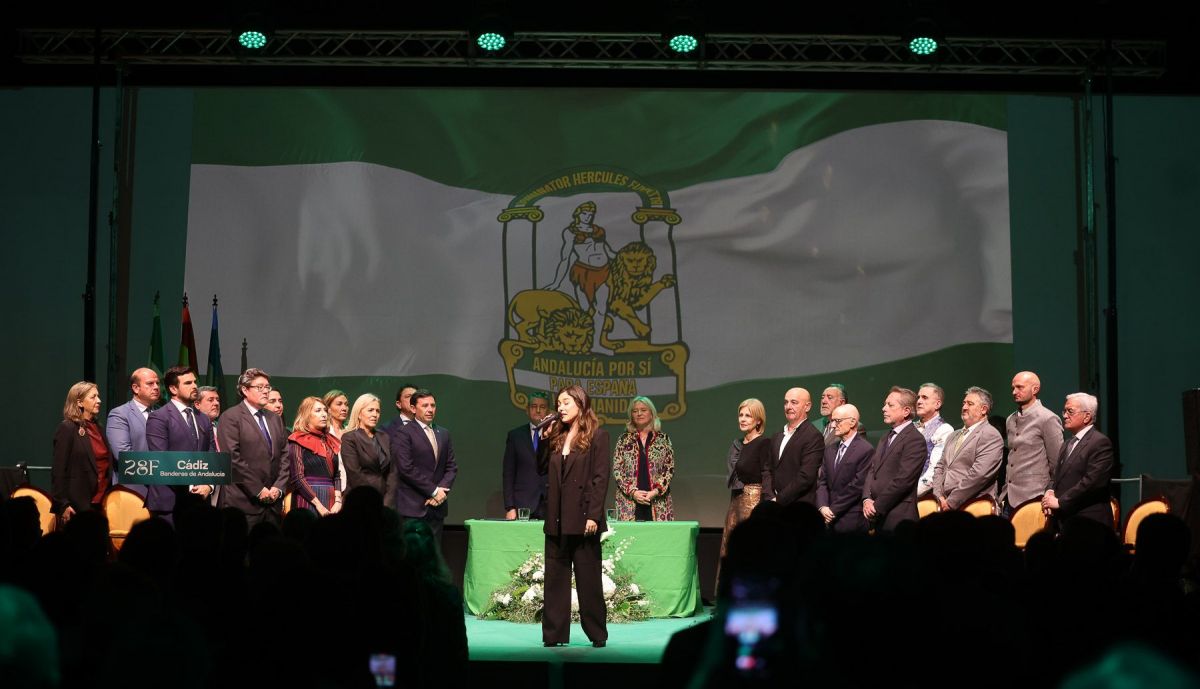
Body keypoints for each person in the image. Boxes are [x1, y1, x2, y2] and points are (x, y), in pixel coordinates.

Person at [537, 384, 610, 648]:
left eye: (566, 402)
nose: (560, 408)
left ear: (580, 404)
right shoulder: (557, 435)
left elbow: (601, 478)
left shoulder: (598, 436)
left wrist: (593, 515)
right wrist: (544, 439)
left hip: (583, 519)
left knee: (588, 580)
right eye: (558, 403)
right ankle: (554, 634)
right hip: (556, 519)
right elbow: (541, 468)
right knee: (555, 580)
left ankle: (596, 633)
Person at [216, 368, 289, 527]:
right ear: (245, 390)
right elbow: (232, 459)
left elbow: (284, 455)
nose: (265, 391)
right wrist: (258, 489)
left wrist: (278, 487)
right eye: (260, 387)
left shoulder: (275, 419)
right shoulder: (231, 417)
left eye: (267, 387)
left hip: (273, 505)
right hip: (243, 504)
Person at [144, 366, 214, 521]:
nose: (195, 386)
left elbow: (211, 456)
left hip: (201, 501)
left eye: (195, 382)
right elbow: (161, 460)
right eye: (188, 383)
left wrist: (208, 486)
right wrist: (191, 488)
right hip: (170, 503)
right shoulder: (159, 417)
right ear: (173, 389)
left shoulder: (203, 418)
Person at [1042, 393, 1113, 531]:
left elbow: (1092, 482)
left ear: (1087, 416)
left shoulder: (1100, 442)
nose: (1064, 415)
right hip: (1066, 520)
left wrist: (1060, 502)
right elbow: (1057, 475)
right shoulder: (1068, 443)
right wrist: (1049, 491)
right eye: (1064, 411)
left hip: (1089, 521)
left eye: (1070, 411)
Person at [392, 389, 457, 540]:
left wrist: (441, 492)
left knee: (434, 555)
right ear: (413, 408)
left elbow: (451, 466)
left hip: (437, 508)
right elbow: (405, 468)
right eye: (425, 406)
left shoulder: (443, 433)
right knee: (413, 556)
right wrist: (433, 491)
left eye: (432, 405)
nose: (430, 409)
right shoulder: (404, 432)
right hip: (413, 508)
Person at [862, 386, 926, 532]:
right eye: (885, 404)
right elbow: (872, 470)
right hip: (878, 517)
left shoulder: (915, 439)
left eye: (890, 405)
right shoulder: (885, 437)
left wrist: (876, 507)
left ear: (906, 411)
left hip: (899, 517)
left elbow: (904, 479)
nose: (884, 408)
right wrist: (866, 499)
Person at [931, 387, 1004, 511]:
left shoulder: (990, 435)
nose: (964, 407)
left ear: (983, 409)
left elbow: (979, 474)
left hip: (973, 504)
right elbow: (940, 467)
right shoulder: (953, 435)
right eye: (964, 403)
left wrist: (951, 501)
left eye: (970, 404)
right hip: (943, 504)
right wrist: (938, 496)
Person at [52, 381, 114, 522]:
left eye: (98, 396)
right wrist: (63, 504)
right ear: (79, 402)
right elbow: (58, 470)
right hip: (77, 505)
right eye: (93, 397)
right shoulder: (67, 428)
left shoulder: (98, 428)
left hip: (101, 501)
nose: (99, 400)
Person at [1004, 371, 1064, 515]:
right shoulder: (1010, 419)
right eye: (1013, 388)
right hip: (1009, 496)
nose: (1014, 392)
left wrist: (1051, 492)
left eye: (1020, 387)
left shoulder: (1047, 418)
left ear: (1035, 389)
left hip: (1034, 496)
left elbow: (1057, 462)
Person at [720, 398, 772, 562]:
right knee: (730, 547)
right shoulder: (738, 444)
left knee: (749, 547)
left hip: (753, 502)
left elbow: (767, 473)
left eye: (748, 416)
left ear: (758, 420)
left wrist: (764, 505)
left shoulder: (763, 443)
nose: (742, 419)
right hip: (735, 500)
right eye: (741, 415)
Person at [612, 396, 676, 521]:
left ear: (652, 414)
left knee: (658, 539)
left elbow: (669, 469)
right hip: (629, 501)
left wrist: (656, 491)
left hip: (657, 501)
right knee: (630, 539)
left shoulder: (663, 439)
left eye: (643, 410)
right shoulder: (624, 439)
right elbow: (617, 469)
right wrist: (633, 492)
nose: (639, 413)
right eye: (635, 411)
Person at [816, 404, 873, 533]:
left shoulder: (865, 449)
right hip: (827, 518)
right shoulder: (830, 449)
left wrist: (833, 510)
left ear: (853, 422)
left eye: (837, 421)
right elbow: (822, 481)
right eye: (832, 421)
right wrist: (822, 507)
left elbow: (857, 486)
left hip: (851, 518)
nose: (832, 425)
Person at [286, 396, 342, 517]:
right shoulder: (297, 440)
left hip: (332, 499)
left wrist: (338, 501)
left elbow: (336, 475)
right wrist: (319, 506)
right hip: (308, 499)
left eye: (324, 410)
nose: (323, 414)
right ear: (306, 415)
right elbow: (298, 478)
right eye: (318, 411)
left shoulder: (330, 441)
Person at [105, 367, 160, 491]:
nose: (156, 387)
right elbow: (123, 455)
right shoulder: (120, 414)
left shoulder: (162, 413)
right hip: (133, 490)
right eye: (150, 383)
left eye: (157, 383)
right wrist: (162, 470)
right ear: (136, 388)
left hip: (162, 491)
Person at [341, 393, 397, 508]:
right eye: (370, 410)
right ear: (359, 414)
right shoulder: (350, 438)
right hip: (359, 499)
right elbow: (354, 473)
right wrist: (372, 500)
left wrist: (387, 502)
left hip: (384, 500)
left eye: (377, 411)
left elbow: (393, 472)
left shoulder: (384, 437)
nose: (375, 414)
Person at [770, 387, 824, 506]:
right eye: (786, 402)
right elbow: (768, 469)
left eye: (794, 402)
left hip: (797, 507)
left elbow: (806, 476)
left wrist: (779, 499)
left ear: (807, 406)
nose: (788, 406)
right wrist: (769, 496)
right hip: (773, 505)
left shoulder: (813, 436)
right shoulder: (777, 435)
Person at [502, 392, 551, 520]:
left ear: (548, 411)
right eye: (534, 406)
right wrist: (510, 507)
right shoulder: (515, 436)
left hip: (550, 503)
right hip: (522, 504)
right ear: (527, 410)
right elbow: (508, 473)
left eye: (542, 407)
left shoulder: (556, 436)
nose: (538, 410)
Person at [914, 383, 956, 498]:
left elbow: (935, 470)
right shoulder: (910, 428)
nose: (918, 401)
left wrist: (910, 494)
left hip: (924, 497)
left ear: (937, 404)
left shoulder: (944, 429)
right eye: (918, 397)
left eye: (924, 397)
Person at [322, 389, 350, 491]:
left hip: (350, 486)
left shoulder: (350, 431)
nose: (344, 408)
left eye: (346, 404)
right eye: (339, 404)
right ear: (328, 408)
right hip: (330, 486)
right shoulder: (324, 433)